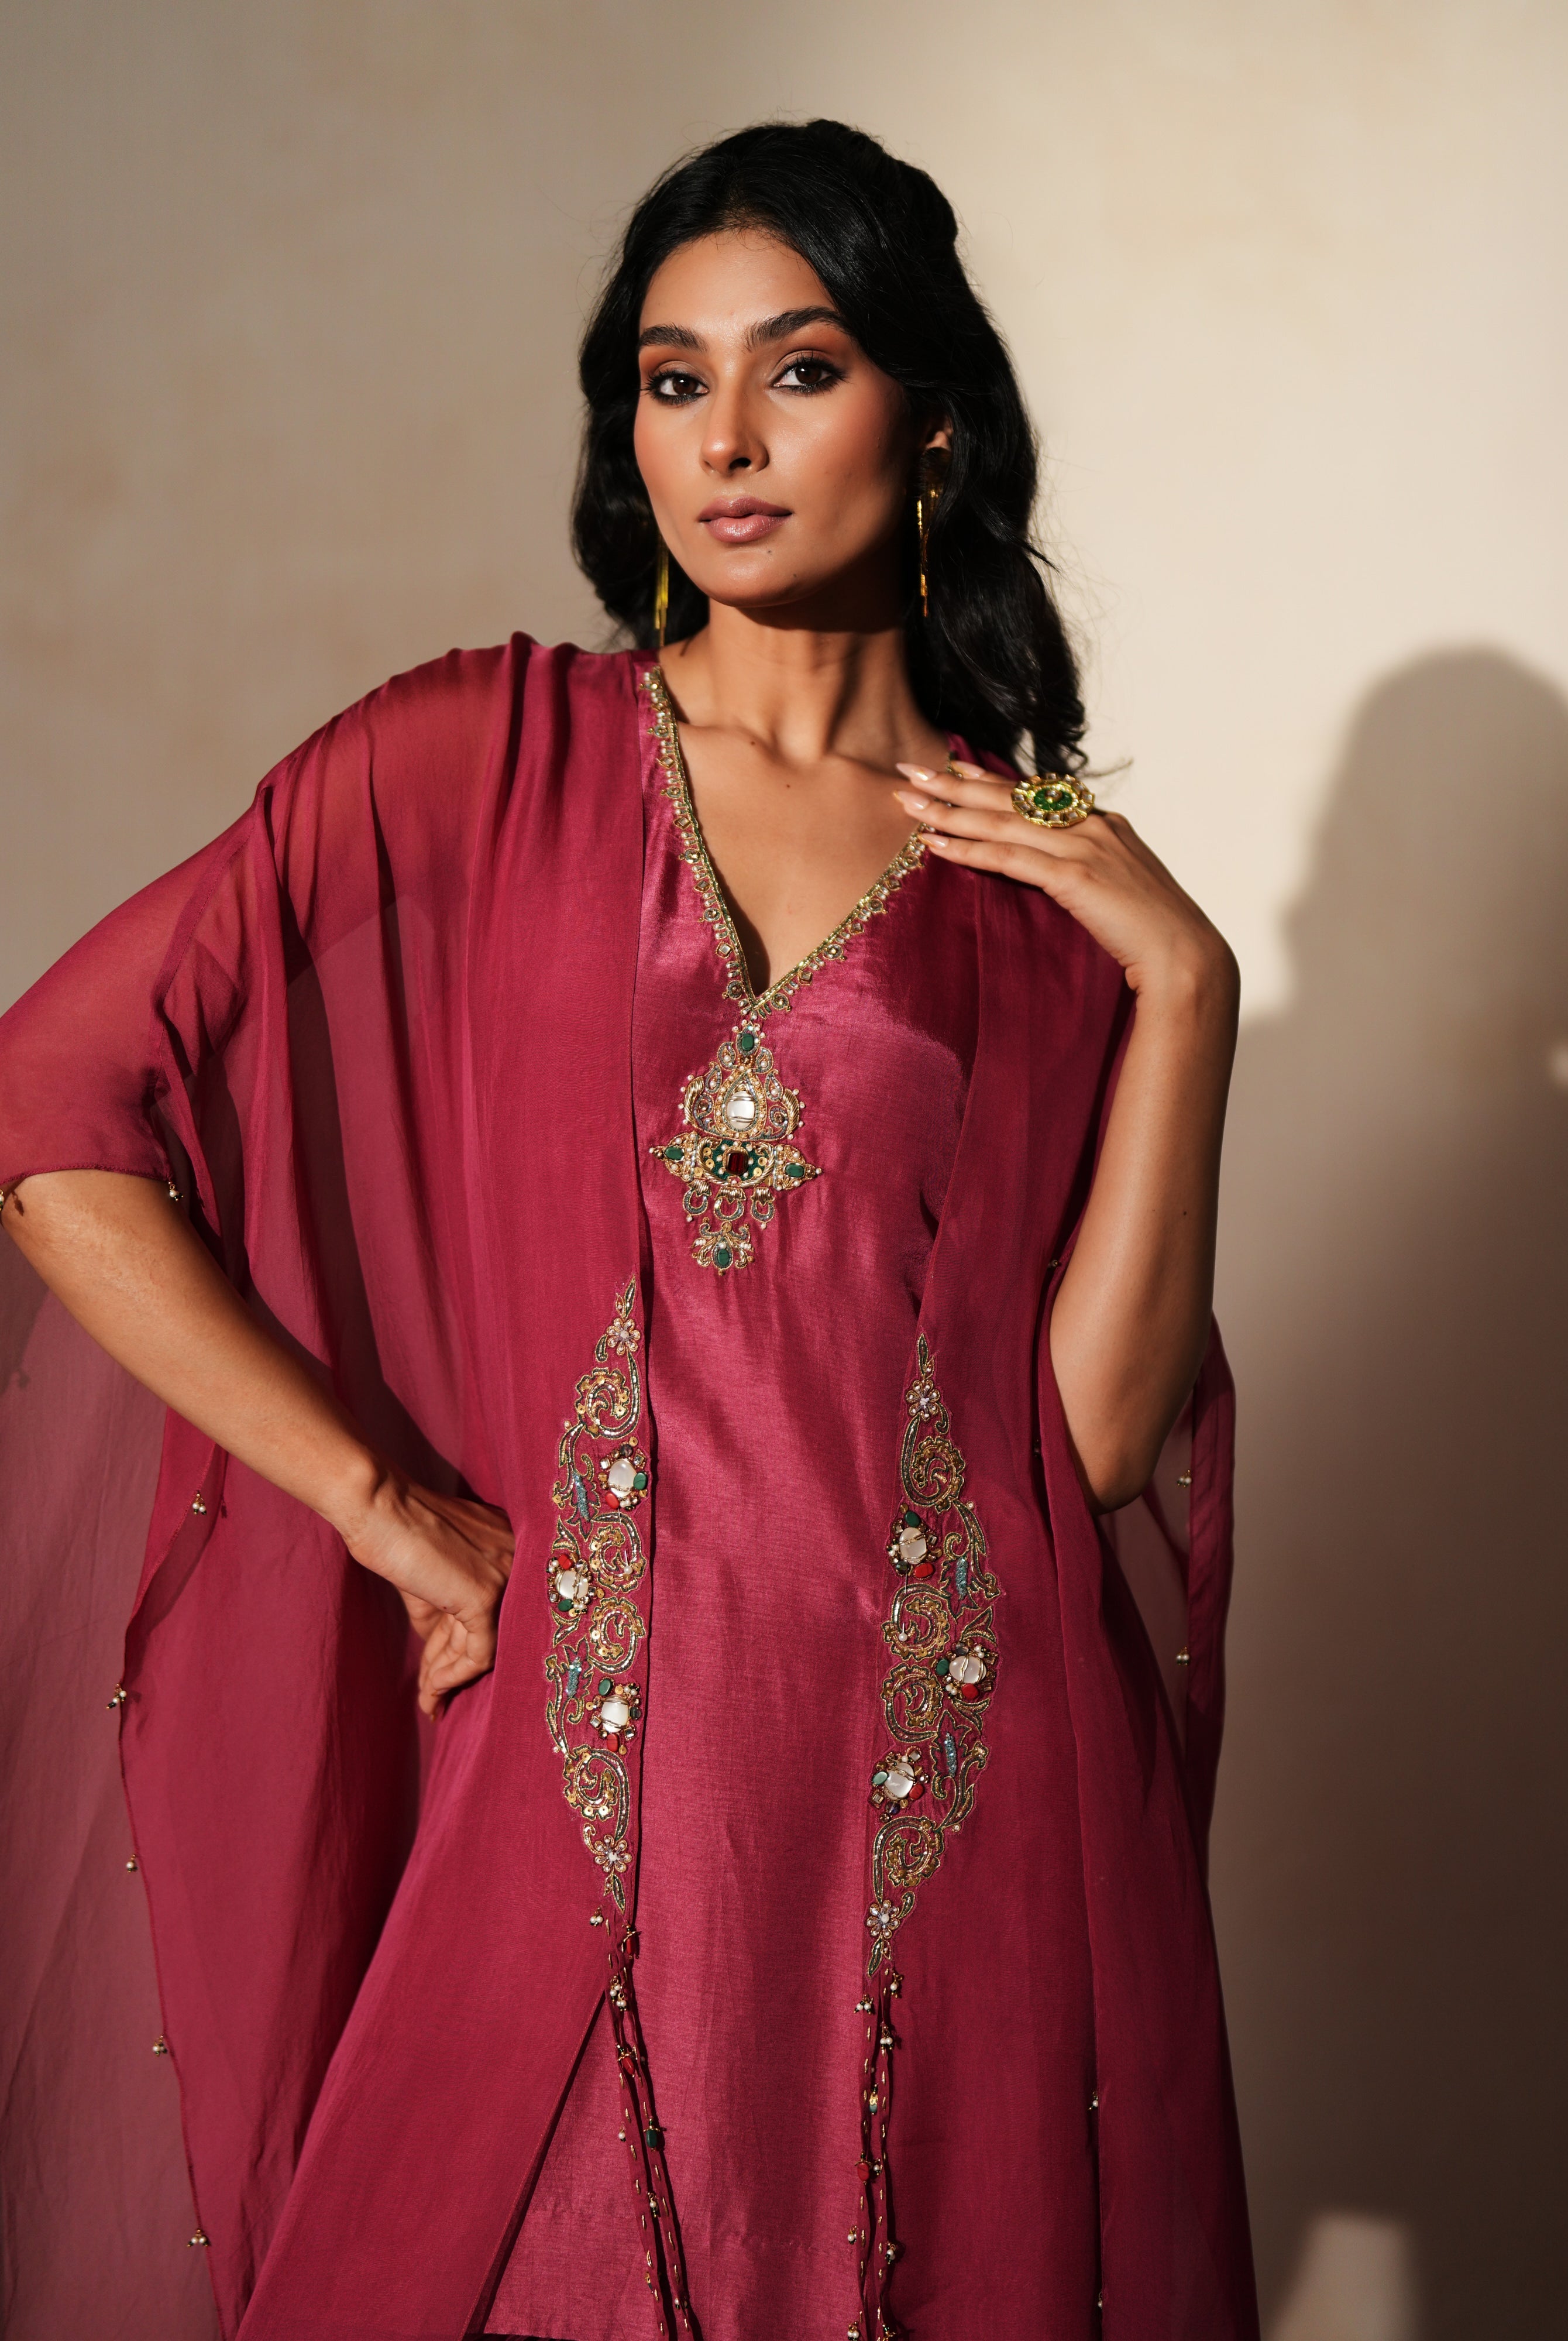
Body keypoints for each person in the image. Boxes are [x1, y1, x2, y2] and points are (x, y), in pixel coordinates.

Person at [0, 119, 1253, 2341]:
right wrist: (386, 1507)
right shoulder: (474, 760)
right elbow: (59, 1113)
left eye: (801, 368)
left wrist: (1188, 995)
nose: (728, 440)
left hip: (944, 1823)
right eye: (673, 382)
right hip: (571, 1792)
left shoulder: (1042, 885)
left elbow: (1090, 1449)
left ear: (935, 421)